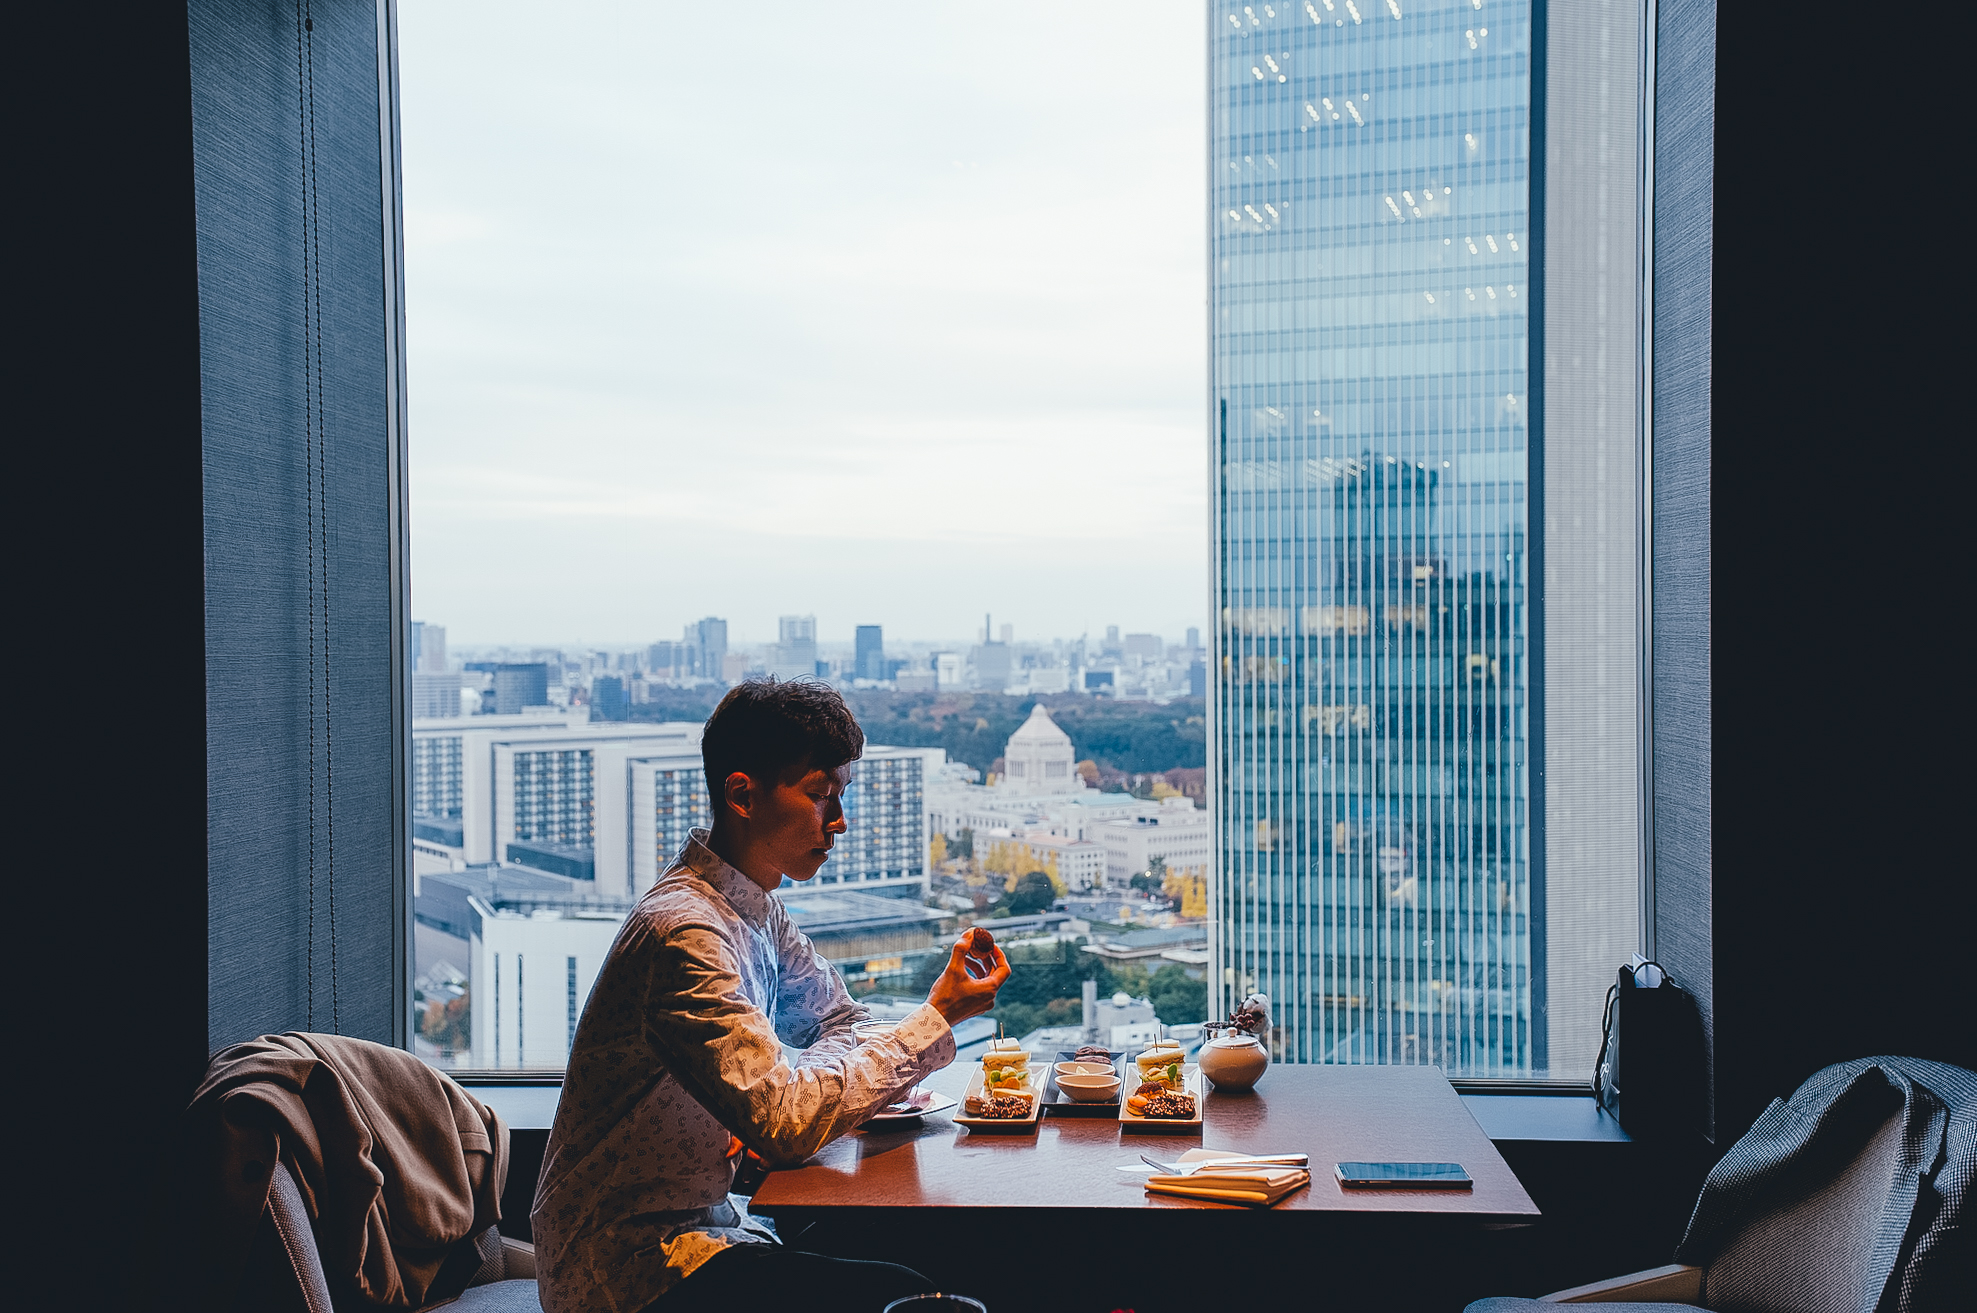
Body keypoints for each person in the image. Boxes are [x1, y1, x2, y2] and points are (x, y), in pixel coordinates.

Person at [532, 679, 1010, 1313]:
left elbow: (837, 1020)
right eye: (819, 795)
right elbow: (785, 1124)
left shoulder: (755, 909)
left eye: (840, 795)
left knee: (930, 1250)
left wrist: (783, 1093)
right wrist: (935, 1018)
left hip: (709, 1225)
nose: (839, 821)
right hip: (628, 1266)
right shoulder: (686, 934)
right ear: (741, 795)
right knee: (909, 1293)